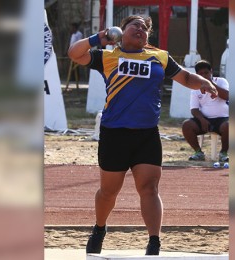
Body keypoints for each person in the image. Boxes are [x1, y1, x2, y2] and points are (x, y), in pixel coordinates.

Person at [68, 15, 218, 255]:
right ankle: (99, 228)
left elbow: (186, 78)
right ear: (121, 31)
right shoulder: (107, 56)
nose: (141, 29)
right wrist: (98, 38)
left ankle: (154, 242)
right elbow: (74, 54)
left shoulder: (159, 57)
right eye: (134, 25)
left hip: (147, 134)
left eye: (145, 28)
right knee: (108, 192)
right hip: (114, 134)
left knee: (149, 188)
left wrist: (204, 83)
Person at [182, 60, 229, 162]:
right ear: (197, 75)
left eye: (206, 73)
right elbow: (194, 109)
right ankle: (198, 153)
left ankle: (223, 153)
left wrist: (210, 84)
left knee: (230, 126)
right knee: (186, 125)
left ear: (211, 71)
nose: (204, 75)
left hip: (223, 120)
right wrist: (201, 119)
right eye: (201, 74)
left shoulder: (221, 81)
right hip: (205, 121)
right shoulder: (195, 88)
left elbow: (226, 96)